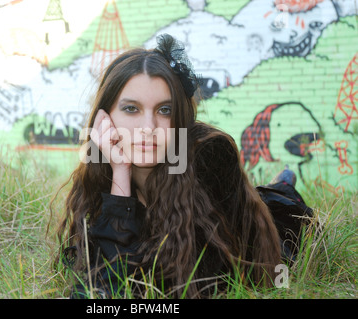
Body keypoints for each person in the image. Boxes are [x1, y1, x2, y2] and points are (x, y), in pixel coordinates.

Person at [50, 34, 313, 299]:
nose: (148, 128)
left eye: (164, 110)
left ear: (180, 119)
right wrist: (120, 172)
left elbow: (187, 285)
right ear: (104, 118)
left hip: (269, 233)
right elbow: (99, 289)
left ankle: (285, 184)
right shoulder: (102, 172)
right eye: (131, 109)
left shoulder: (210, 156)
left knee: (280, 203)